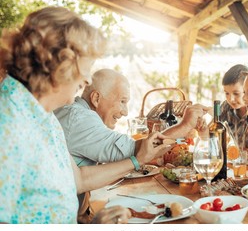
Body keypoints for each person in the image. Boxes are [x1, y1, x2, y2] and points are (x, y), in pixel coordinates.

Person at [0, 7, 170, 224]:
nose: (88, 80)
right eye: (86, 67)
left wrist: (138, 160)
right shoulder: (8, 121)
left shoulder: (42, 115)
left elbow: (78, 180)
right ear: (60, 63)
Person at [54, 68, 208, 167]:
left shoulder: (75, 112)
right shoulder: (81, 119)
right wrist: (185, 125)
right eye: (122, 102)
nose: (125, 112)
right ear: (96, 99)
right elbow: (136, 151)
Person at [220, 64, 248, 154]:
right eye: (227, 93)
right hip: (238, 161)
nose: (231, 99)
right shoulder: (226, 107)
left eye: (236, 93)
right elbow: (212, 132)